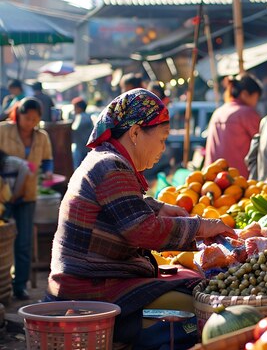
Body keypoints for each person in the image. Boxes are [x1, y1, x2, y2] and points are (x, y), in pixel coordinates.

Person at [44, 89, 235, 346]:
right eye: (162, 138)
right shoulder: (110, 165)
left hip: (87, 283)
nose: (164, 148)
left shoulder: (105, 160)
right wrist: (202, 226)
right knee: (197, 312)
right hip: (89, 289)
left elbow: (119, 207)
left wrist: (156, 208)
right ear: (134, 133)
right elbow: (142, 230)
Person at [0, 97, 53, 300]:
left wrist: (48, 173)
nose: (29, 122)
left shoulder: (42, 137)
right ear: (18, 115)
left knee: (23, 242)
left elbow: (47, 160)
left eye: (34, 119)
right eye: (26, 118)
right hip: (3, 195)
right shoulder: (4, 130)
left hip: (27, 195)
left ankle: (19, 285)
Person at [204, 74, 262, 177]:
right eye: (256, 98)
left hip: (212, 178)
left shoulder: (218, 112)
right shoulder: (247, 113)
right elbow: (263, 143)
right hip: (238, 180)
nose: (256, 103)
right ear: (245, 94)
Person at [70, 97, 93, 169]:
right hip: (86, 147)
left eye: (75, 107)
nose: (74, 110)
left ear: (79, 108)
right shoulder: (87, 116)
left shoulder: (81, 117)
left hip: (81, 148)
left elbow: (74, 128)